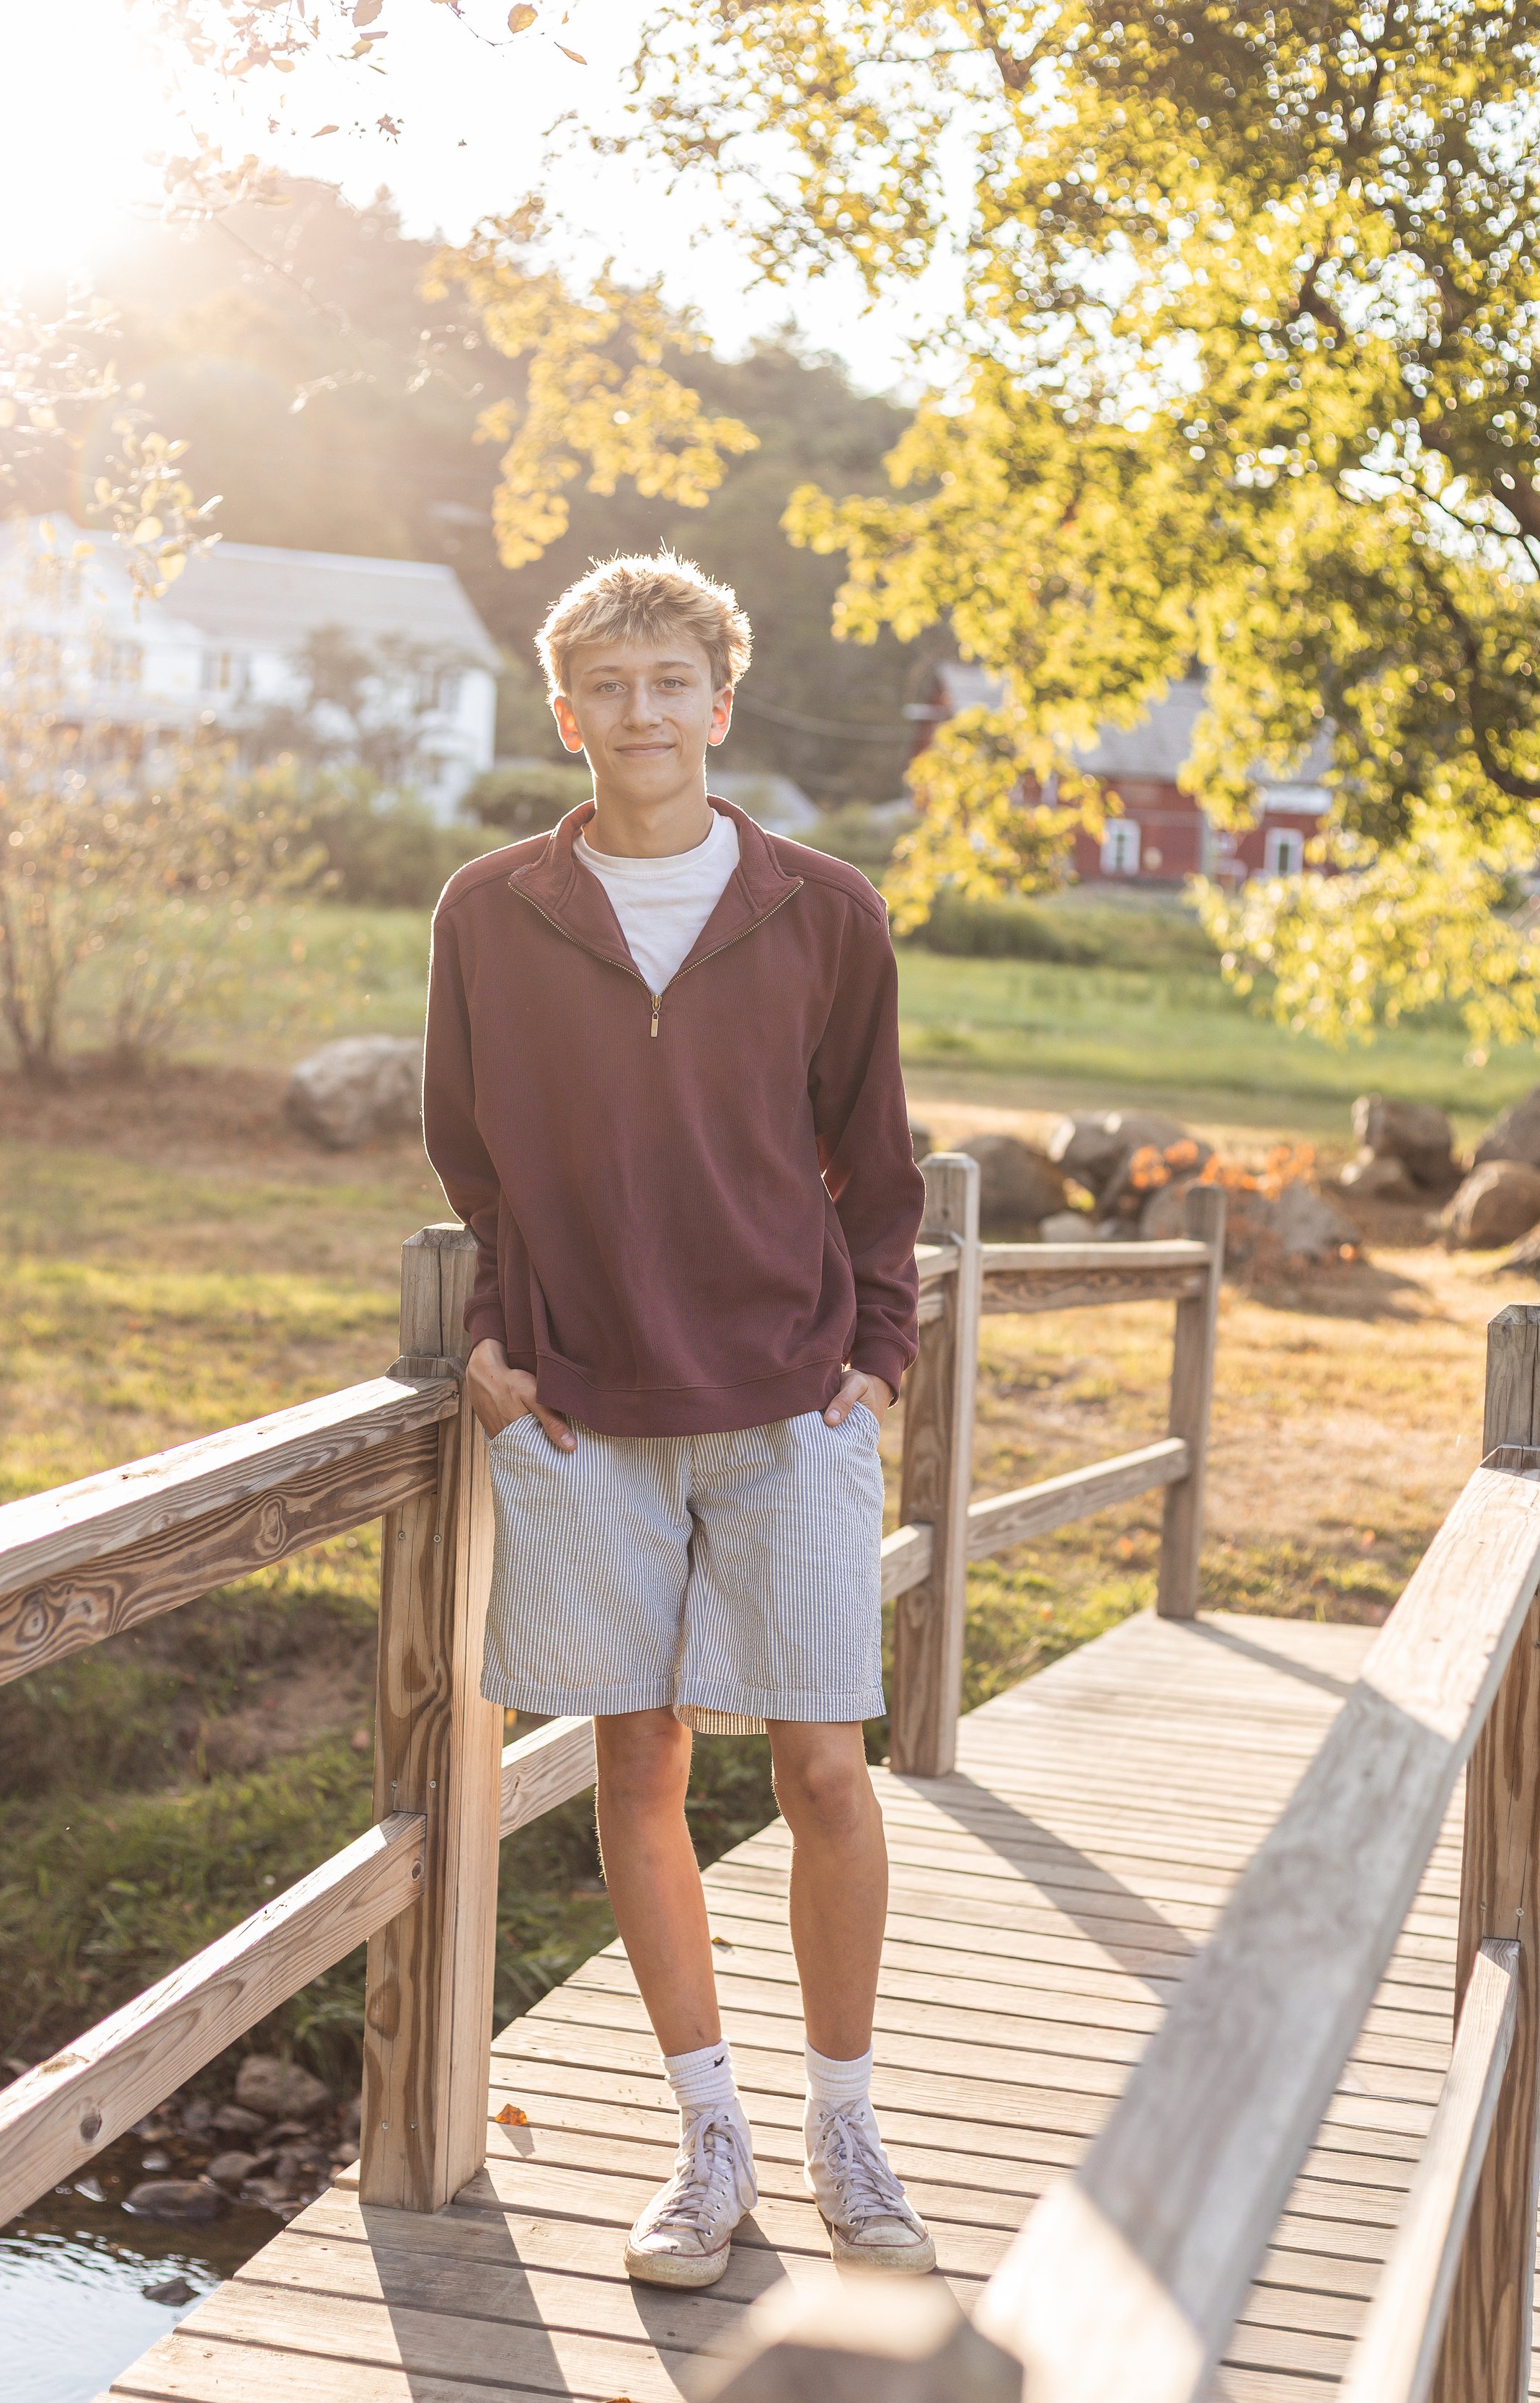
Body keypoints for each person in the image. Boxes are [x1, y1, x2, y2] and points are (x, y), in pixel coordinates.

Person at [422, 552, 931, 2288]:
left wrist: (877, 1345)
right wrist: (494, 1333)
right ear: (563, 714)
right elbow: (470, 1156)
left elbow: (876, 1156)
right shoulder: (487, 910)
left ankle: (844, 2127)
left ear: (719, 705)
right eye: (607, 686)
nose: (639, 714)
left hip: (788, 1402)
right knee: (637, 1761)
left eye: (670, 682)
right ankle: (704, 2143)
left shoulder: (820, 907)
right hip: (581, 1409)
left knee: (822, 1768)